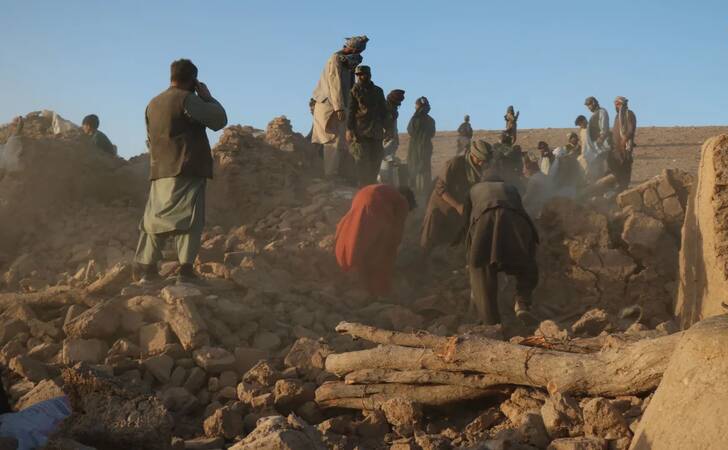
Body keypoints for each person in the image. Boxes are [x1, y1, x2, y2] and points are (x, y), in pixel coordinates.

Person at [133, 59, 227, 284]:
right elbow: (219, 120)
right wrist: (207, 97)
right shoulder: (188, 100)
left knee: (155, 218)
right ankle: (185, 271)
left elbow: (149, 138)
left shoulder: (152, 103)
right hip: (186, 168)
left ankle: (147, 269)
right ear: (193, 80)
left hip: (160, 170)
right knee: (190, 218)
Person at [464, 152, 540, 326]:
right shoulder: (510, 188)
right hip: (516, 222)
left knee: (480, 270)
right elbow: (522, 212)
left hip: (485, 223)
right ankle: (522, 302)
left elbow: (467, 223)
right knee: (527, 264)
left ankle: (490, 322)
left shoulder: (474, 190)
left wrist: (469, 255)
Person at [335, 184, 417, 297]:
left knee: (356, 233)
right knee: (379, 249)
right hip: (374, 204)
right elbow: (395, 237)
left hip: (361, 196)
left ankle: (348, 264)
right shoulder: (403, 202)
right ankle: (375, 290)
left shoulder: (386, 191)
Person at [311, 36, 368, 181]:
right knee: (333, 140)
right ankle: (330, 175)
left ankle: (335, 174)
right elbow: (334, 85)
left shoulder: (347, 62)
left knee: (341, 141)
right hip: (330, 105)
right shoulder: (336, 59)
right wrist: (339, 108)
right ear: (353, 49)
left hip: (340, 105)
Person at [420, 139, 490, 253]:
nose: (481, 163)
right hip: (441, 205)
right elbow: (440, 188)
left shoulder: (480, 168)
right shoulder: (455, 163)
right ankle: (422, 263)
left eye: (484, 161)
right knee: (430, 236)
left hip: (459, 207)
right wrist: (457, 206)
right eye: (479, 159)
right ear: (472, 155)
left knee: (452, 238)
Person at [346, 65, 390, 186]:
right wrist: (349, 129)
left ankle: (371, 185)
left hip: (376, 131)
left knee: (376, 160)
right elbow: (351, 111)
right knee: (361, 161)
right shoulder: (354, 91)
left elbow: (383, 111)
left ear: (369, 75)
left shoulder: (378, 91)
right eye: (358, 75)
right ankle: (363, 187)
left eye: (362, 74)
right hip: (361, 132)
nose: (360, 77)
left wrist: (388, 128)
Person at [407, 97, 436, 194]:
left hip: (415, 147)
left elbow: (410, 130)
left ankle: (415, 192)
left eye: (416, 105)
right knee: (425, 169)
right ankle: (425, 192)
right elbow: (432, 134)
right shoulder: (431, 120)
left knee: (413, 168)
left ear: (419, 106)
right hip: (426, 147)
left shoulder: (415, 119)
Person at [610, 96, 637, 191]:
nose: (615, 107)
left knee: (624, 171)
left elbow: (630, 129)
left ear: (622, 104)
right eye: (615, 105)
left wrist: (624, 140)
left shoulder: (629, 114)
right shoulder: (618, 116)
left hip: (625, 149)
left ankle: (624, 190)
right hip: (616, 150)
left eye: (617, 104)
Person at [575, 115, 607, 182]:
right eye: (579, 125)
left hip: (597, 153)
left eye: (580, 124)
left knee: (599, 172)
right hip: (588, 155)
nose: (580, 126)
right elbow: (584, 144)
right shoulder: (582, 131)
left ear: (584, 121)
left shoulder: (593, 128)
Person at [383, 89, 405, 158]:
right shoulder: (386, 109)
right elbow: (385, 124)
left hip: (390, 138)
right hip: (387, 139)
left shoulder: (392, 109)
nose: (400, 103)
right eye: (399, 101)